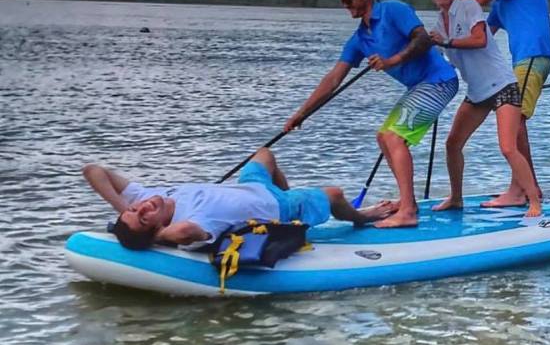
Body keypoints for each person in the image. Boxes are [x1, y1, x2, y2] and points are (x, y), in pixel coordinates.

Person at [284, 0, 458, 228]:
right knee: (383, 136)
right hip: (420, 86)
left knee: (393, 137)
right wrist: (302, 114)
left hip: (440, 80)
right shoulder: (359, 39)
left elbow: (422, 39)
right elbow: (333, 79)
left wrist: (391, 61)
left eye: (349, 0)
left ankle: (408, 211)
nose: (346, 6)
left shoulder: (392, 10)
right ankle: (406, 200)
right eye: (342, 2)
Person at [83, 148, 394, 250]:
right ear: (154, 229)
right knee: (334, 195)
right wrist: (156, 235)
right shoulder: (186, 225)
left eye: (136, 209)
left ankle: (294, 201)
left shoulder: (147, 198)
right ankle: (361, 216)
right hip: (276, 208)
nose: (142, 208)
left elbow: (94, 170)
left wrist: (124, 209)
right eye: (142, 218)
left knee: (265, 154)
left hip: (250, 187)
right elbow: (184, 234)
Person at [425, 0, 542, 216]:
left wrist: (445, 42)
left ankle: (534, 202)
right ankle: (456, 198)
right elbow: (440, 60)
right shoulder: (439, 22)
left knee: (508, 147)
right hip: (478, 92)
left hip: (502, 86)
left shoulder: (468, 7)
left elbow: (480, 40)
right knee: (452, 144)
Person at [463, 0, 550, 208]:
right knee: (515, 124)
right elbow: (483, 34)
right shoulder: (502, 1)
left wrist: (450, 1)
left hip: (534, 53)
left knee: (514, 123)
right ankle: (528, 187)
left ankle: (522, 191)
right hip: (523, 60)